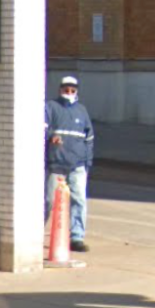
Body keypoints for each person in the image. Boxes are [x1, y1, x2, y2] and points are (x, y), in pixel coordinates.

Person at [44, 75, 94, 252]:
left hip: (77, 165)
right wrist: (51, 137)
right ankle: (36, 233)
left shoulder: (82, 111)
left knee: (79, 199)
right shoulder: (51, 107)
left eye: (73, 90)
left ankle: (77, 237)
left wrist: (87, 162)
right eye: (66, 89)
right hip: (56, 164)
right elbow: (41, 128)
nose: (69, 93)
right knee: (48, 200)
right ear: (60, 90)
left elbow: (89, 138)